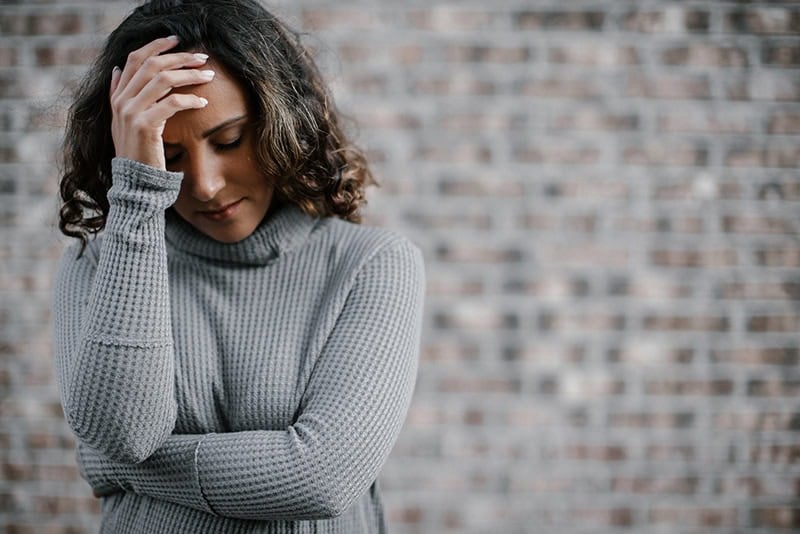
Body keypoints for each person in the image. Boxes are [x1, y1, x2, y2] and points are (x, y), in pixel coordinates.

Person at [51, 0, 425, 532]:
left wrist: (120, 470)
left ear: (280, 124)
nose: (205, 185)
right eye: (169, 156)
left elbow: (321, 478)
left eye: (229, 140)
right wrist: (138, 195)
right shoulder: (96, 266)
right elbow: (125, 435)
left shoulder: (371, 265)